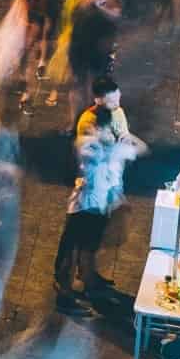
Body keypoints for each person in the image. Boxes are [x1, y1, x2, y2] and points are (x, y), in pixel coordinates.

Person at [57, 75, 142, 315]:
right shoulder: (88, 130)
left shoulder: (115, 116)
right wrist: (119, 149)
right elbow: (95, 159)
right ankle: (65, 294)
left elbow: (124, 135)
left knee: (89, 245)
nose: (117, 103)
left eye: (118, 99)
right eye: (112, 100)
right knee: (75, 246)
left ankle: (89, 279)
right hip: (87, 199)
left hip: (102, 196)